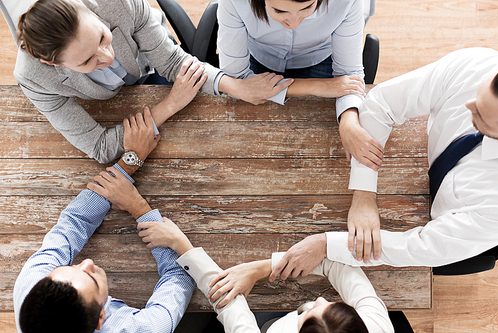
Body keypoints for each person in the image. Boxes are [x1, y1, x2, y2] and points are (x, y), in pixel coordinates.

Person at [265, 47, 498, 280]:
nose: (468, 105)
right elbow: (381, 102)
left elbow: (421, 248)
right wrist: (364, 195)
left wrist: (326, 245)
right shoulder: (480, 65)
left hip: (454, 227)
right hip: (418, 158)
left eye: (480, 114)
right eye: (477, 96)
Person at [15, 0, 292, 163]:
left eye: (102, 37)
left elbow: (172, 64)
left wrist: (238, 87)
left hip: (150, 62)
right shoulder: (34, 77)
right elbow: (99, 147)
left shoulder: (116, 4)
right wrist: (169, 105)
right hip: (118, 102)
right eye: (87, 61)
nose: (107, 56)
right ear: (53, 64)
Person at [13, 109, 196, 333]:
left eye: (73, 266)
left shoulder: (33, 289)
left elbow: (74, 221)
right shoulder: (143, 329)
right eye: (92, 278)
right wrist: (138, 208)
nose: (87, 261)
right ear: (102, 318)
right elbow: (181, 274)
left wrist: (131, 161)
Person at [136, 220, 394, 333]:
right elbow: (339, 265)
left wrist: (181, 244)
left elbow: (231, 307)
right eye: (330, 304)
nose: (319, 299)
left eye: (308, 314)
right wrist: (259, 269)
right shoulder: (376, 326)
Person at [217, 0, 384, 171]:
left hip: (320, 57)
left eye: (307, 8)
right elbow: (237, 81)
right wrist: (317, 87)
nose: (294, 24)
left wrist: (349, 122)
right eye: (279, 11)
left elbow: (349, 75)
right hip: (259, 56)